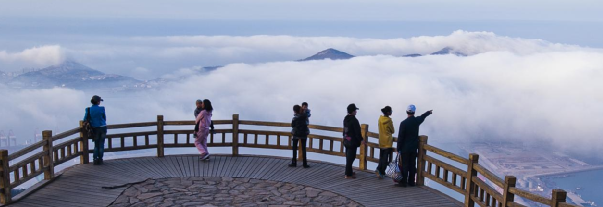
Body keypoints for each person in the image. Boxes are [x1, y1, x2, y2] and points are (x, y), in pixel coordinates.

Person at [396, 104, 432, 187]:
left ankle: (404, 182)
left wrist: (398, 149)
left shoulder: (403, 123)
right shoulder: (416, 121)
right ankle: (411, 182)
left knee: (405, 165)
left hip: (405, 148)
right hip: (413, 148)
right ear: (414, 112)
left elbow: (400, 137)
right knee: (412, 164)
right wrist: (428, 112)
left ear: (406, 112)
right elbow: (422, 116)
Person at [343, 103, 365, 179]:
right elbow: (357, 132)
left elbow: (345, 129)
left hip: (346, 140)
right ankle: (348, 174)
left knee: (348, 157)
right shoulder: (354, 120)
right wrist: (361, 140)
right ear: (352, 111)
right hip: (352, 142)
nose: (356, 112)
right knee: (351, 158)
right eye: (355, 110)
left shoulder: (345, 118)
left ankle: (349, 171)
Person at [83, 95, 107, 165]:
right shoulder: (102, 109)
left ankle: (95, 159)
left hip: (95, 128)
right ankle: (100, 159)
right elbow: (104, 118)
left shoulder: (88, 110)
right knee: (101, 143)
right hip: (103, 127)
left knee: (96, 144)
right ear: (97, 102)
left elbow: (85, 119)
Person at [376, 106, 395, 179]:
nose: (391, 112)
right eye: (391, 111)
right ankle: (381, 171)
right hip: (388, 141)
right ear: (388, 112)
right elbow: (393, 131)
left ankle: (379, 169)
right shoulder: (389, 120)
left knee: (382, 157)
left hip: (381, 140)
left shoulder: (380, 119)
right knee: (385, 158)